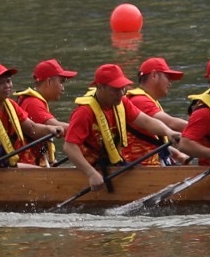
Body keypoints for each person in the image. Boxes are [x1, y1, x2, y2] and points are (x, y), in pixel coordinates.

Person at [61, 63, 176, 191]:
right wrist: (91, 173)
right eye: (116, 89)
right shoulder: (84, 112)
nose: (121, 93)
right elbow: (69, 147)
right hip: (94, 169)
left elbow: (146, 121)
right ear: (100, 87)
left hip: (115, 166)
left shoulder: (122, 102)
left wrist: (168, 132)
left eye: (123, 88)